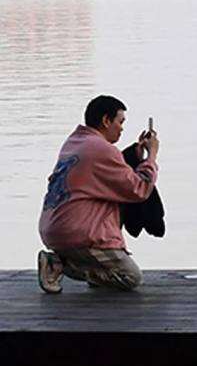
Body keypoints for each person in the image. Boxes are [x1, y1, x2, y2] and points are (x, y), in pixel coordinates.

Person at [37, 95, 160, 293]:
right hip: (79, 233)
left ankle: (66, 261)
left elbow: (108, 170)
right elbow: (140, 188)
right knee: (131, 277)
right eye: (120, 122)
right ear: (106, 121)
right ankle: (58, 264)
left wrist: (136, 154)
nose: (122, 128)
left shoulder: (74, 142)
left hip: (53, 230)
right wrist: (152, 156)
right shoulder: (102, 150)